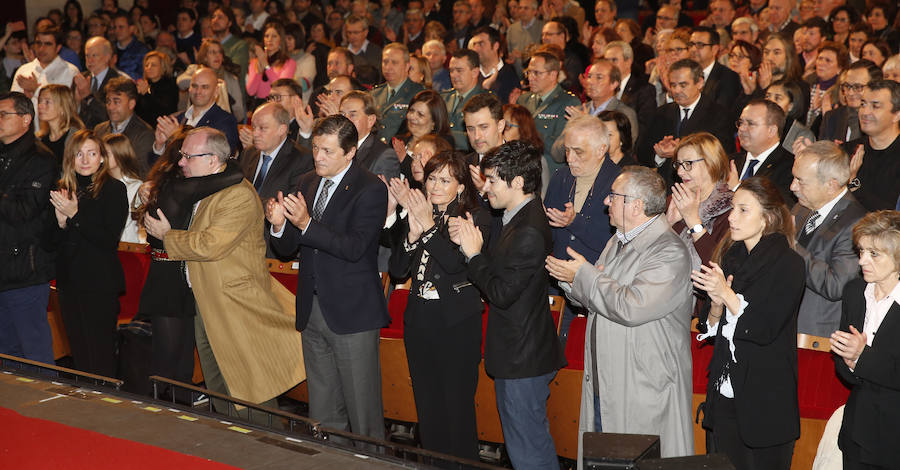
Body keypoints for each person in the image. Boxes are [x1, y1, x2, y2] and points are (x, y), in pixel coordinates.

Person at [143, 127, 305, 417]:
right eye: (182, 155)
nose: (181, 162)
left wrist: (169, 236)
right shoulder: (206, 187)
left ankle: (269, 449)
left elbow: (210, 245)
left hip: (235, 305)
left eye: (188, 156)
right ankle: (232, 445)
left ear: (212, 160)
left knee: (248, 391)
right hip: (207, 302)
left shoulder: (237, 196)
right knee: (219, 388)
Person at [546, 165, 694, 459]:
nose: (605, 201)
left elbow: (630, 306)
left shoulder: (669, 251)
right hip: (609, 381)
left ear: (635, 205)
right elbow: (599, 297)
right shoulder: (618, 240)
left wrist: (585, 275)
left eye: (613, 196)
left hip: (642, 386)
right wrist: (571, 279)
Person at [267, 115, 389, 440]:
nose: (318, 156)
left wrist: (306, 223)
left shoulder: (371, 188)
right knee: (322, 413)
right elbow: (288, 247)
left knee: (363, 415)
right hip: (312, 307)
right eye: (316, 148)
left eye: (328, 151)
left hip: (352, 313)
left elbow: (354, 247)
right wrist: (279, 225)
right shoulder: (307, 180)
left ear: (350, 153)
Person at [455, 140, 565, 470]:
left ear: (517, 182)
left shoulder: (529, 228)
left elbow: (501, 292)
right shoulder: (515, 216)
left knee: (529, 449)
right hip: (518, 353)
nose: (485, 187)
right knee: (523, 444)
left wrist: (473, 255)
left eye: (491, 180)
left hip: (524, 358)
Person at [692, 176, 806, 470]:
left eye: (743, 210)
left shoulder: (789, 264)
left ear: (767, 218)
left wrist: (727, 295)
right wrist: (716, 302)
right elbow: (711, 328)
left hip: (764, 403)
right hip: (725, 394)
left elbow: (763, 328)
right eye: (732, 208)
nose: (731, 217)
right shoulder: (732, 257)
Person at [387, 151, 489, 462]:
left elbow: (458, 266)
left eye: (445, 180)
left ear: (460, 187)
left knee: (456, 408)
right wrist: (412, 236)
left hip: (456, 323)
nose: (435, 185)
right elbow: (397, 270)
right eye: (431, 178)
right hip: (420, 320)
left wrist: (428, 229)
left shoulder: (474, 216)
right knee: (427, 405)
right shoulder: (422, 212)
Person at [51, 129, 128, 377]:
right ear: (70, 158)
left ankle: (106, 405)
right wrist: (61, 224)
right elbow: (50, 243)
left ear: (102, 158)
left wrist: (75, 215)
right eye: (79, 154)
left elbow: (107, 240)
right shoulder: (63, 189)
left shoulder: (113, 189)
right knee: (79, 351)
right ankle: (86, 404)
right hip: (69, 281)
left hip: (99, 282)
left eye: (92, 153)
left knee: (100, 353)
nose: (85, 160)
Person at [831, 210, 900, 470]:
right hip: (857, 434)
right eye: (861, 251)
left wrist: (862, 357)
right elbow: (843, 366)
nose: (862, 261)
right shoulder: (854, 292)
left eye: (874, 254)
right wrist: (849, 362)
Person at [544, 115, 620, 344]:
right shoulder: (560, 178)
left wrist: (575, 222)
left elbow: (616, 241)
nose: (570, 158)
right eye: (567, 150)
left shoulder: (619, 183)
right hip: (555, 286)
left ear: (601, 150)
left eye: (579, 152)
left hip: (595, 290)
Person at [0, 92, 58, 366]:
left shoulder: (41, 159)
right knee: (6, 353)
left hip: (26, 268)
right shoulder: (3, 155)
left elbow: (23, 211)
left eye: (3, 114)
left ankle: (47, 409)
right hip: (3, 267)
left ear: (26, 119)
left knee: (34, 354)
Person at [789, 141, 867, 337]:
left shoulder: (855, 222)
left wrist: (793, 245)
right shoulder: (802, 207)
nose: (793, 187)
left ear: (831, 185)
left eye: (801, 181)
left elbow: (836, 285)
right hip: (784, 326)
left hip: (815, 336)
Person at [639, 59, 735, 188]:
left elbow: (723, 155)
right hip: (665, 187)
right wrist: (659, 155)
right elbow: (641, 152)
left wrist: (681, 151)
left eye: (683, 85)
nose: (677, 90)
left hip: (701, 188)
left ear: (700, 82)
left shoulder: (718, 114)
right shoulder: (661, 113)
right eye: (673, 85)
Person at [238, 102, 314, 257]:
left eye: (263, 128)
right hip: (240, 241)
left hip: (272, 247)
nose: (255, 133)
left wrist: (243, 202)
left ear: (282, 129)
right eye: (254, 127)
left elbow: (286, 206)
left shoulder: (302, 159)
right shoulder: (248, 154)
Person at [668, 132, 734, 274]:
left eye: (688, 164)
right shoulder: (674, 200)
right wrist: (668, 223)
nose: (680, 171)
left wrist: (693, 221)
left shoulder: (730, 210)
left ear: (711, 162)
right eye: (678, 164)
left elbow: (718, 267)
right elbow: (651, 255)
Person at [516, 50, 580, 174]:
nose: (530, 77)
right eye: (529, 72)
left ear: (553, 75)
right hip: (523, 169)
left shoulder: (568, 102)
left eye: (537, 73)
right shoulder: (523, 100)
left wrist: (532, 133)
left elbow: (560, 150)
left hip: (550, 172)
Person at [154, 67, 240, 159]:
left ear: (216, 91)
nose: (198, 91)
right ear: (189, 89)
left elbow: (217, 161)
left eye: (205, 87)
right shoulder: (177, 119)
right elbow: (153, 166)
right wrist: (159, 146)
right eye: (194, 86)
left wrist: (176, 137)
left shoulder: (225, 121)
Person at [842, 80, 900, 211]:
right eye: (863, 104)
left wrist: (853, 183)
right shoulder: (847, 151)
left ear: (897, 114)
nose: (865, 112)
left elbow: (892, 215)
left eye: (875, 106)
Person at [11, 25, 79, 123]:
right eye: (38, 43)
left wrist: (36, 90)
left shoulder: (70, 71)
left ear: (58, 47)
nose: (41, 48)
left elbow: (67, 107)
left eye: (48, 44)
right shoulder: (24, 71)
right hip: (28, 132)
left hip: (58, 132)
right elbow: (13, 107)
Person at [732, 99, 796, 204]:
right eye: (741, 123)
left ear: (772, 131)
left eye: (750, 124)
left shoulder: (790, 168)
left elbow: (778, 208)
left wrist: (736, 188)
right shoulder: (731, 161)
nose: (742, 129)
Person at [93, 77, 155, 176]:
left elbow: (141, 173)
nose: (110, 107)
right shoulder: (99, 130)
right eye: (108, 101)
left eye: (116, 102)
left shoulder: (144, 135)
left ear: (131, 104)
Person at [177, 39, 246, 124]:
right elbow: (180, 82)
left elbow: (238, 110)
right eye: (213, 52)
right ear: (205, 56)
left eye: (220, 52)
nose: (217, 56)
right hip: (194, 122)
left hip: (220, 123)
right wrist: (206, 81)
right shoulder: (195, 70)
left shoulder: (231, 78)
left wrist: (230, 122)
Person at [339, 90, 400, 179]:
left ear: (370, 120)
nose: (345, 120)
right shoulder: (334, 147)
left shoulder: (384, 157)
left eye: (352, 115)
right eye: (342, 114)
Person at [372, 43, 426, 142]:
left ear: (407, 66)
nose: (388, 67)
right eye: (385, 62)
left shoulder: (419, 94)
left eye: (394, 62)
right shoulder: (374, 94)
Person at [73, 36, 126, 130]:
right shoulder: (80, 78)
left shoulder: (118, 81)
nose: (90, 60)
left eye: (94, 55)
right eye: (87, 55)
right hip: (81, 133)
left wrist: (88, 97)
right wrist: (76, 103)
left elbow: (112, 116)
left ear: (107, 57)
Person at [442, 49, 489, 150]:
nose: (454, 75)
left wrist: (444, 136)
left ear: (475, 72)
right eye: (451, 70)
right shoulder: (443, 98)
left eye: (459, 70)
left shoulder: (485, 100)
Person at [101, 134, 144, 243]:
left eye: (107, 154)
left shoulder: (136, 186)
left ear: (120, 154)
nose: (102, 158)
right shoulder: (99, 184)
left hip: (128, 246)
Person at [690, 26, 741, 112]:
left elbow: (721, 111)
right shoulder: (686, 73)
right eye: (691, 44)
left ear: (714, 49)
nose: (693, 49)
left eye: (700, 45)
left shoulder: (728, 76)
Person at [246, 23, 297, 107]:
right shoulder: (255, 62)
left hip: (278, 105)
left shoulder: (289, 63)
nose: (270, 39)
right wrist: (259, 69)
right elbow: (251, 91)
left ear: (281, 39)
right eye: (267, 36)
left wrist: (266, 66)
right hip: (259, 104)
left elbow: (281, 87)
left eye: (274, 36)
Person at [36, 84, 84, 165]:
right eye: (40, 101)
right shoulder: (40, 139)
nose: (40, 106)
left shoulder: (75, 137)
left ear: (62, 107)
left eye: (47, 102)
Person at [468, 26, 518, 104]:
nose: (476, 49)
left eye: (481, 44)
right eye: (474, 44)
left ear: (495, 46)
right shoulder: (471, 74)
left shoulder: (509, 75)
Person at [135, 51, 178, 127]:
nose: (149, 68)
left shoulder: (170, 85)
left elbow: (164, 112)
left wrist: (146, 94)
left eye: (153, 65)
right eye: (146, 65)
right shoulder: (144, 85)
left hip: (161, 127)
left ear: (163, 67)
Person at [209, 6, 250, 87]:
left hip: (232, 93)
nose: (215, 20)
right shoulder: (207, 44)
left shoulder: (240, 45)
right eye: (213, 17)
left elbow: (236, 73)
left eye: (220, 17)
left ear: (230, 23)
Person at [111, 13, 149, 79]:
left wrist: (115, 70)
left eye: (121, 27)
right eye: (115, 27)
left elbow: (144, 76)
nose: (116, 31)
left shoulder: (142, 50)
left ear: (131, 28)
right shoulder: (110, 48)